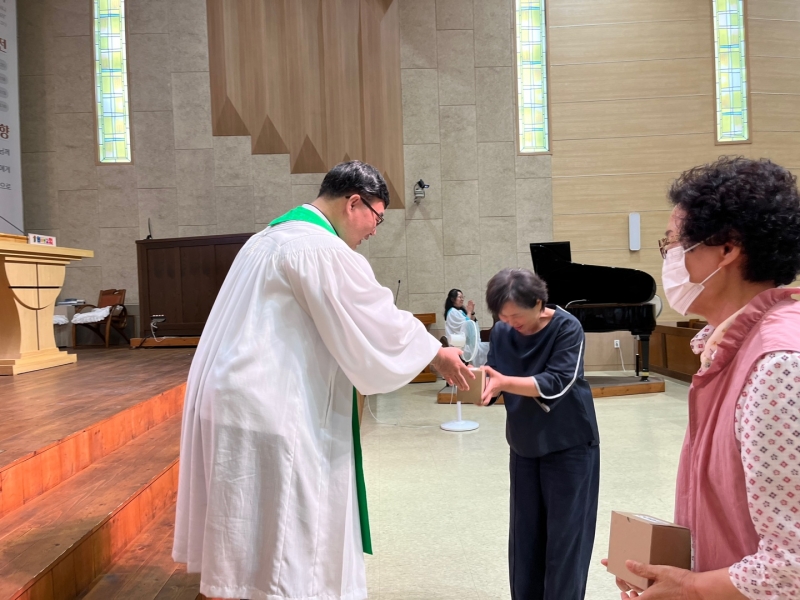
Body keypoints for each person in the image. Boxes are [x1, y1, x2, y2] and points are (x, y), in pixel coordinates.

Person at [172, 161, 473, 600]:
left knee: (244, 540)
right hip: (271, 406)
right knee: (284, 542)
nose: (374, 231)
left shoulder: (265, 239)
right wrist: (434, 351)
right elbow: (372, 316)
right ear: (354, 203)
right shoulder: (318, 248)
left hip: (236, 398)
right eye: (377, 217)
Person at [605, 157, 800, 599]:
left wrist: (693, 587)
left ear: (727, 249)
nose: (669, 258)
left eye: (673, 244)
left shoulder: (778, 365)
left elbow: (793, 563)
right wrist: (673, 572)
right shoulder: (727, 347)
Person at [478, 268, 600, 600]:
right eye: (503, 317)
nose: (509, 323)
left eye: (516, 315)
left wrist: (504, 383)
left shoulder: (567, 327)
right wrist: (482, 387)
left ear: (538, 303)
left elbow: (557, 381)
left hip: (569, 444)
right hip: (524, 443)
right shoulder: (502, 331)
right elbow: (494, 373)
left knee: (566, 539)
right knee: (525, 540)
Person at [444, 288, 490, 366]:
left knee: (489, 347)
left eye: (463, 297)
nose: (462, 299)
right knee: (487, 348)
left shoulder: (460, 311)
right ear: (452, 299)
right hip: (461, 345)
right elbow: (465, 326)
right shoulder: (452, 312)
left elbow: (472, 322)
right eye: (460, 297)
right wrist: (469, 311)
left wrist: (471, 312)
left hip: (468, 343)